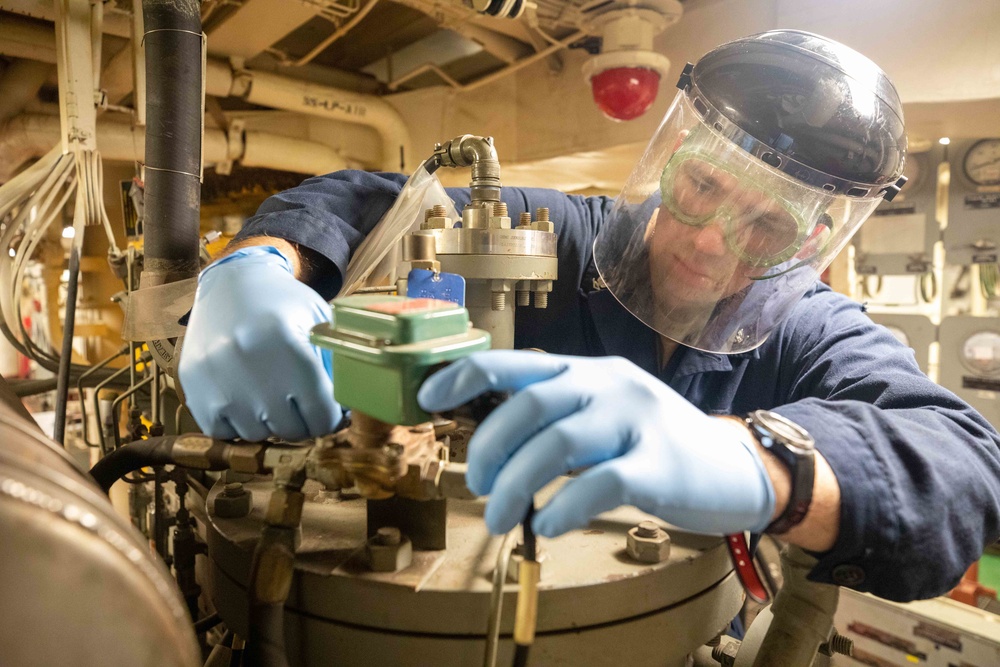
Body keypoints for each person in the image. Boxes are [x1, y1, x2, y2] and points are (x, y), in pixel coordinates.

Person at [179, 30, 1000, 602]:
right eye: (702, 189)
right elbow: (365, 200)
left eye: (766, 227)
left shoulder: (804, 327)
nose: (713, 244)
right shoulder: (563, 235)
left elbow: (965, 465)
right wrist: (261, 264)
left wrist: (756, 460)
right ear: (671, 160)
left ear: (811, 240)